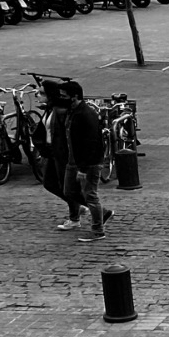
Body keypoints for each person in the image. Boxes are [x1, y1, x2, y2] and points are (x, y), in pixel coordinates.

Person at [55, 80, 113, 242]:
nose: (61, 98)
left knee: (90, 196)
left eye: (63, 96)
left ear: (74, 97)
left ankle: (98, 230)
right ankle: (103, 213)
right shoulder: (72, 111)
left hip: (88, 163)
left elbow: (92, 143)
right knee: (69, 192)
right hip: (73, 160)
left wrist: (83, 168)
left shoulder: (86, 114)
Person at [37, 79, 88, 230]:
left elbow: (64, 133)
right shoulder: (50, 109)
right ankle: (78, 207)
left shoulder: (60, 111)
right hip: (51, 151)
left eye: (41, 93)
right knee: (49, 183)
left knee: (66, 186)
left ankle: (76, 216)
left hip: (61, 153)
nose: (37, 96)